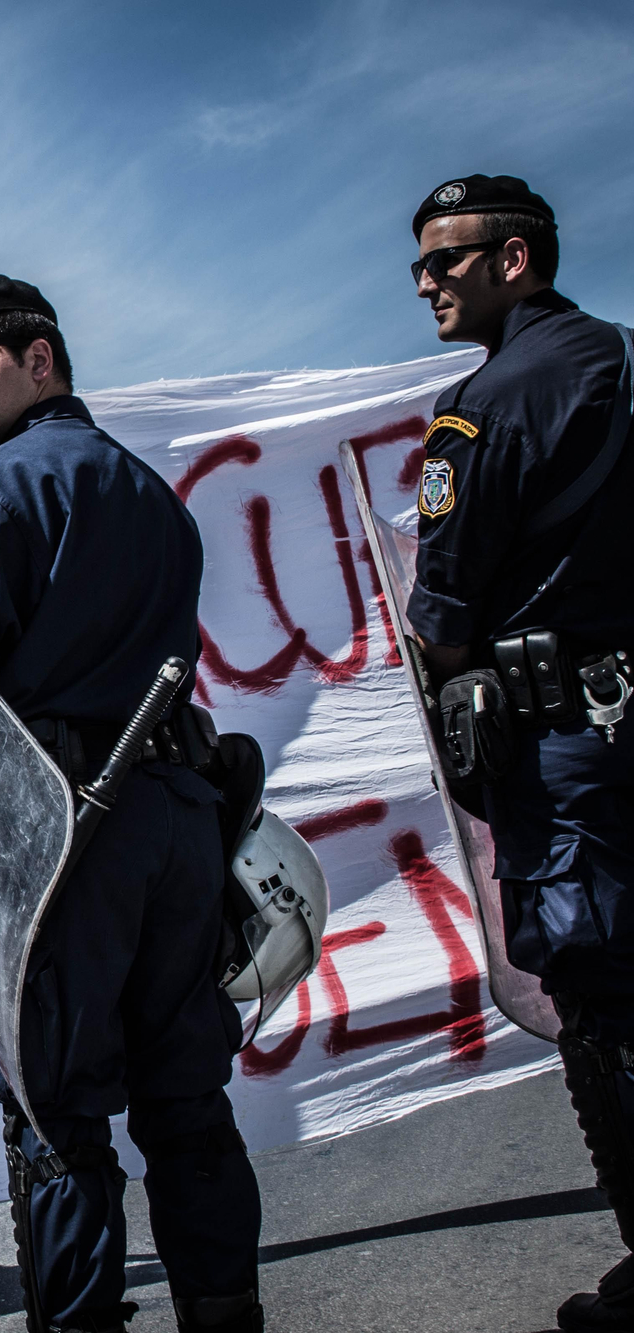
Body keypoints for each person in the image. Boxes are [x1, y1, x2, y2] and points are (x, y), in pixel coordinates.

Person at [0, 275, 264, 1333]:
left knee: (53, 1110)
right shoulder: (143, 486)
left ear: (39, 358)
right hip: (171, 811)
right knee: (185, 1100)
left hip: (62, 826)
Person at [404, 175, 634, 1332]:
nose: (425, 283)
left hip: (565, 745)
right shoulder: (620, 359)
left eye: (445, 261)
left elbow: (441, 612)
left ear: (514, 260)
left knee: (601, 993)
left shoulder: (483, 403)